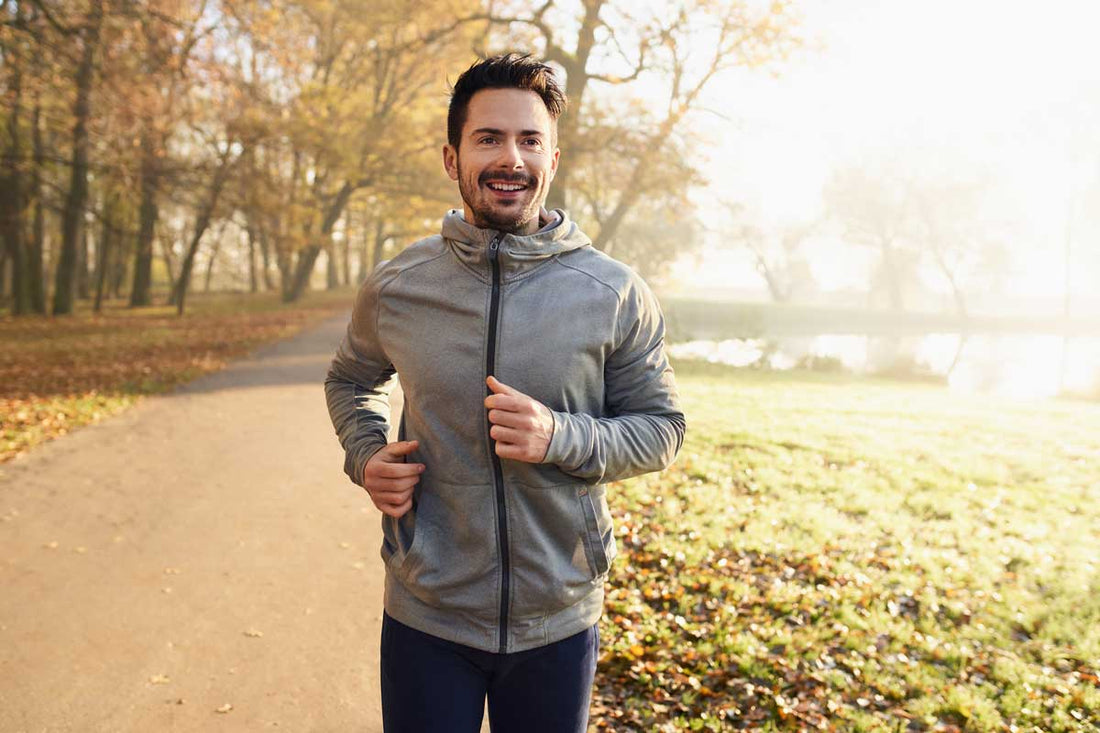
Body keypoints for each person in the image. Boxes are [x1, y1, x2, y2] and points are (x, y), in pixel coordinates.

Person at [324, 52, 686, 733]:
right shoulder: (399, 286)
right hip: (427, 612)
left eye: (529, 140)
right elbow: (349, 378)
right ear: (451, 156)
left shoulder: (612, 293)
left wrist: (561, 434)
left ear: (553, 158)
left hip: (558, 615)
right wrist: (366, 456)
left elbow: (662, 427)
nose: (509, 158)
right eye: (488, 138)